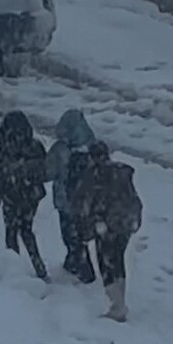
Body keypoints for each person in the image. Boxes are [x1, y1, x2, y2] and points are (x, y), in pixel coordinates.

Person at [71, 141, 142, 322]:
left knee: (106, 263)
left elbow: (84, 203)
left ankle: (116, 307)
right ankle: (120, 301)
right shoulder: (121, 172)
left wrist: (85, 228)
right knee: (118, 260)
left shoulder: (94, 174)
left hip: (105, 225)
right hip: (124, 223)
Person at [0, 111, 49, 279]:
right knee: (26, 230)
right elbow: (46, 171)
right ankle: (39, 268)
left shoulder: (5, 150)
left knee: (11, 232)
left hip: (10, 196)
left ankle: (15, 270)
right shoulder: (35, 147)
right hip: (31, 197)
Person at [44, 108, 98, 283]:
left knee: (70, 236)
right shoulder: (93, 146)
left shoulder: (60, 149)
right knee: (80, 234)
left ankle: (83, 270)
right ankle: (73, 262)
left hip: (65, 202)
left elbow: (47, 172)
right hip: (87, 202)